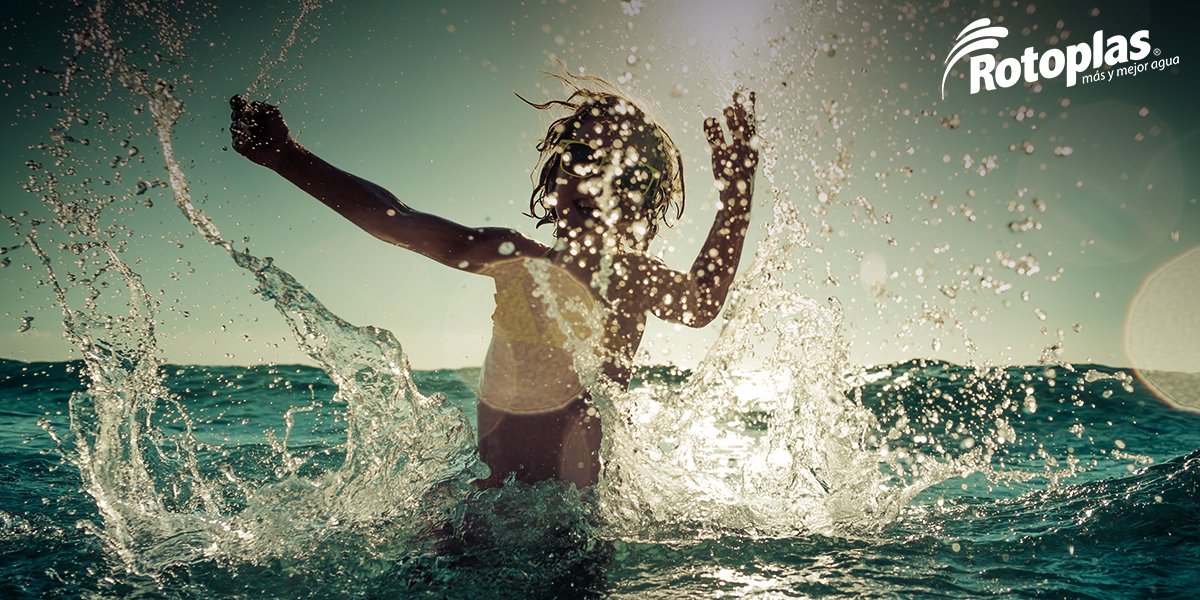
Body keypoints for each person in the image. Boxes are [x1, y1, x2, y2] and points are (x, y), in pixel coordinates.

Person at [229, 75, 757, 489]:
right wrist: (285, 156)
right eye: (581, 158)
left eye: (621, 173)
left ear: (639, 201)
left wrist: (734, 201)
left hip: (576, 513)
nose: (594, 180)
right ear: (556, 174)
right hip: (494, 496)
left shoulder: (632, 279)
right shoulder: (513, 257)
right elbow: (395, 220)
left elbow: (699, 304)